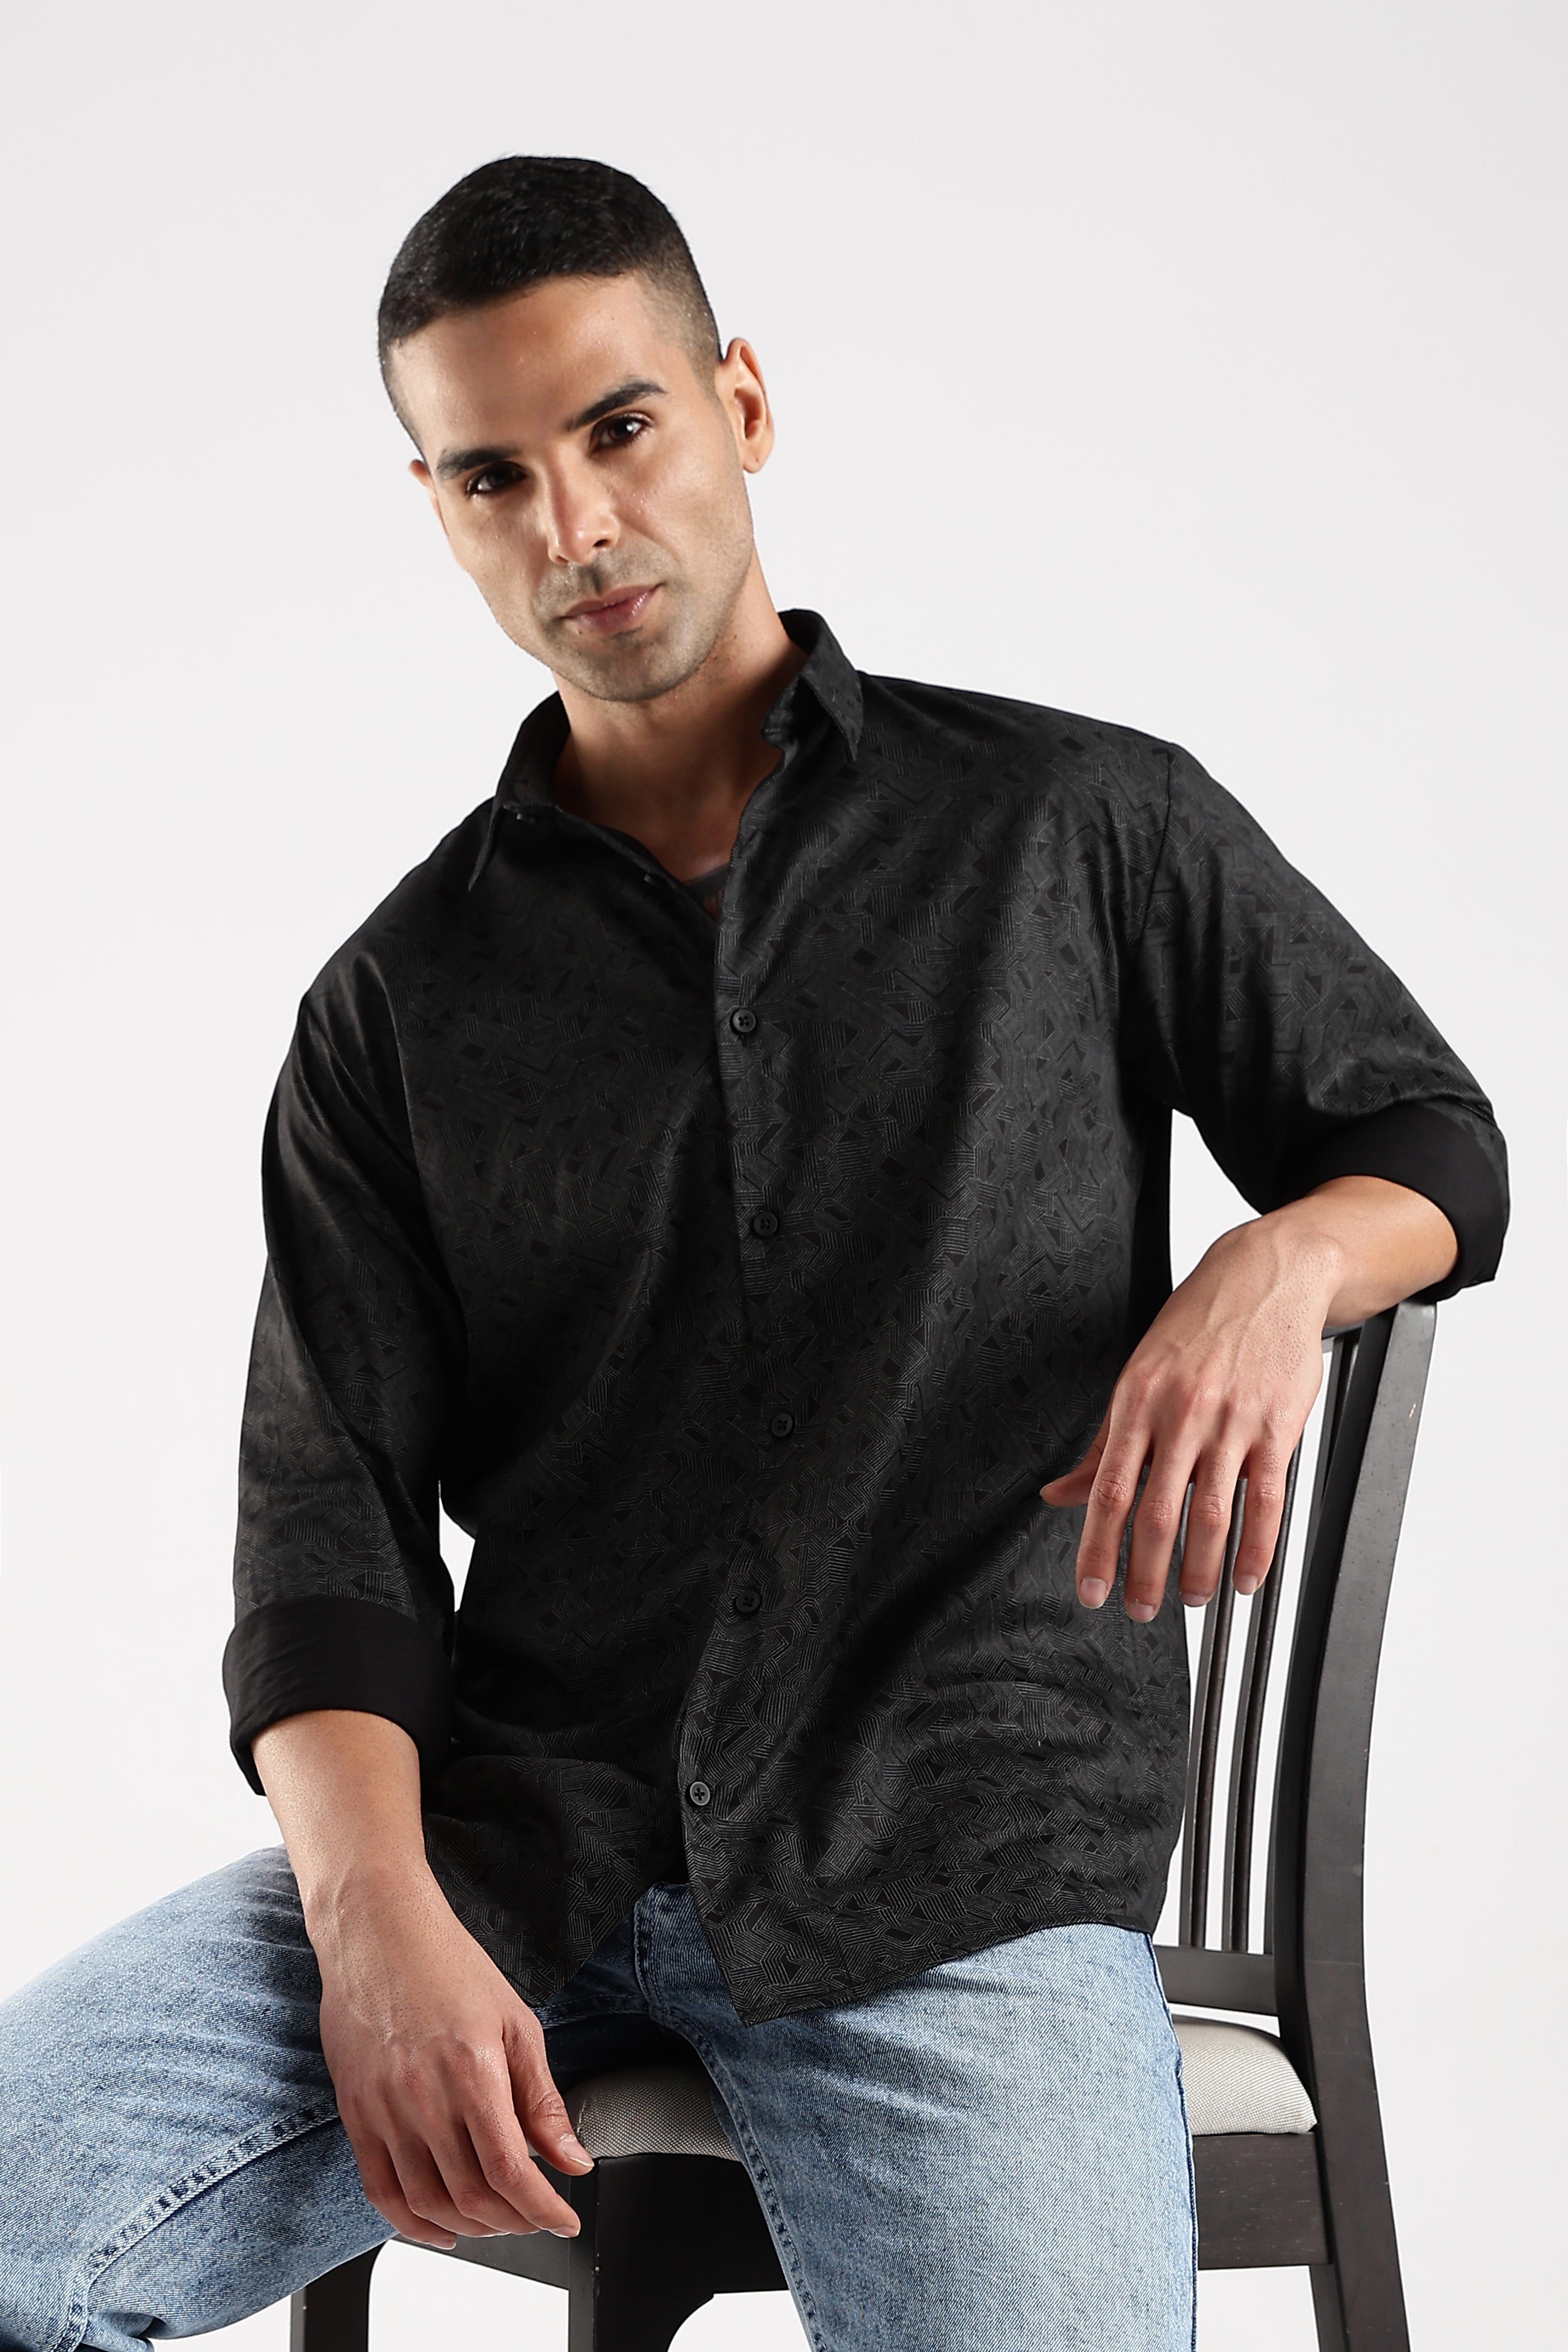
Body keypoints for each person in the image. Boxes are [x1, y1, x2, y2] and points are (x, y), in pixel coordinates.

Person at [0, 157, 1507, 2352]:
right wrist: (376, 1922)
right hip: (512, 1857)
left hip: (951, 1866)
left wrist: (1278, 1266)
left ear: (743, 405)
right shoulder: (398, 1006)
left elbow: (1428, 1138)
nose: (575, 525)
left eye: (620, 429)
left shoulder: (1074, 831)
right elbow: (326, 1534)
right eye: (495, 475)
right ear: (436, 506)